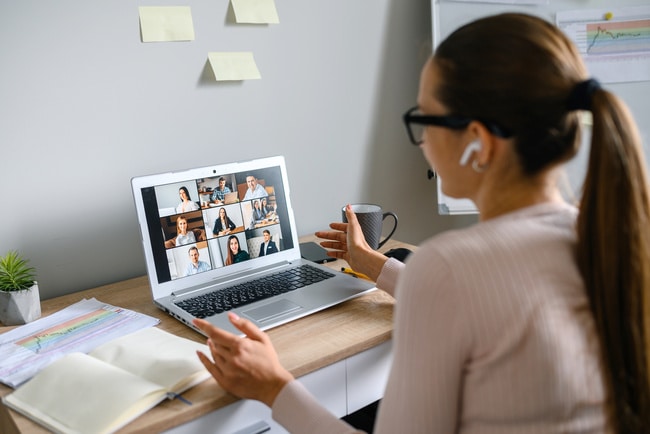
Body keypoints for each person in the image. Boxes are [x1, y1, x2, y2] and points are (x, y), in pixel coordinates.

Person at [192, 13, 650, 433]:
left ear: (477, 142)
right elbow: (478, 301)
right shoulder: (603, 236)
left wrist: (273, 387)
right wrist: (371, 264)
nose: (422, 142)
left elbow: (458, 289)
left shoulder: (451, 267)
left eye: (424, 119)